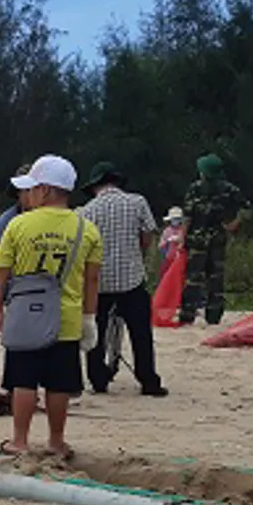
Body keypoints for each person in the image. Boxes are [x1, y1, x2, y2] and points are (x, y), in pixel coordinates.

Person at [0, 155, 103, 459]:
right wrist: (89, 320)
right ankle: (55, 441)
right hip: (65, 317)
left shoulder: (18, 225)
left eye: (33, 188)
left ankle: (20, 440)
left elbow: (1, 272)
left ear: (46, 190)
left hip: (25, 314)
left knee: (23, 380)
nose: (28, 194)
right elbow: (92, 280)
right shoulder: (86, 228)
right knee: (59, 383)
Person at [78, 162, 167, 397]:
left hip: (100, 282)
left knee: (96, 331)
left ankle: (98, 379)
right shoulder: (137, 202)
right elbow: (147, 236)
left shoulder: (86, 211)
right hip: (132, 279)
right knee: (141, 334)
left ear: (96, 186)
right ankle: (148, 380)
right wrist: (135, 254)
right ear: (116, 182)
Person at [180, 154, 247, 325]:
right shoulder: (230, 189)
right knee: (216, 277)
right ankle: (214, 314)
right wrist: (233, 224)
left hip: (197, 240)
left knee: (193, 278)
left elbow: (187, 216)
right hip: (218, 238)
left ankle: (188, 312)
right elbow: (246, 208)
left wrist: (181, 238)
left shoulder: (195, 188)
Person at [158, 206, 185, 281]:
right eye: (174, 219)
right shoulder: (167, 230)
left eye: (178, 219)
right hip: (167, 256)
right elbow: (161, 245)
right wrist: (168, 241)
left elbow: (182, 242)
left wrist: (179, 245)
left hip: (177, 257)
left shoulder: (181, 230)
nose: (176, 221)